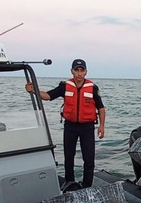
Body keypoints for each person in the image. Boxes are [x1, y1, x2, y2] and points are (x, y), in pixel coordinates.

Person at [25, 58, 105, 187]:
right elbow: (48, 96)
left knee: (89, 159)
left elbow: (101, 108)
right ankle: (69, 182)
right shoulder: (64, 86)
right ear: (72, 71)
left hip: (87, 127)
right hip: (70, 126)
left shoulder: (93, 88)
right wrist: (34, 91)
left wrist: (101, 126)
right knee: (69, 156)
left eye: (82, 70)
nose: (79, 73)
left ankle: (87, 185)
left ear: (86, 72)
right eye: (76, 70)